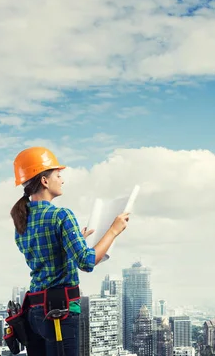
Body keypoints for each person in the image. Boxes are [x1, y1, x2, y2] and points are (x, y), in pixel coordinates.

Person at [9, 146, 130, 356]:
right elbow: (87, 262)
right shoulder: (61, 215)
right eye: (58, 174)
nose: (62, 179)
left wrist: (73, 243)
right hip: (59, 312)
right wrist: (113, 230)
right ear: (44, 181)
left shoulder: (22, 223)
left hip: (35, 313)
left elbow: (48, 260)